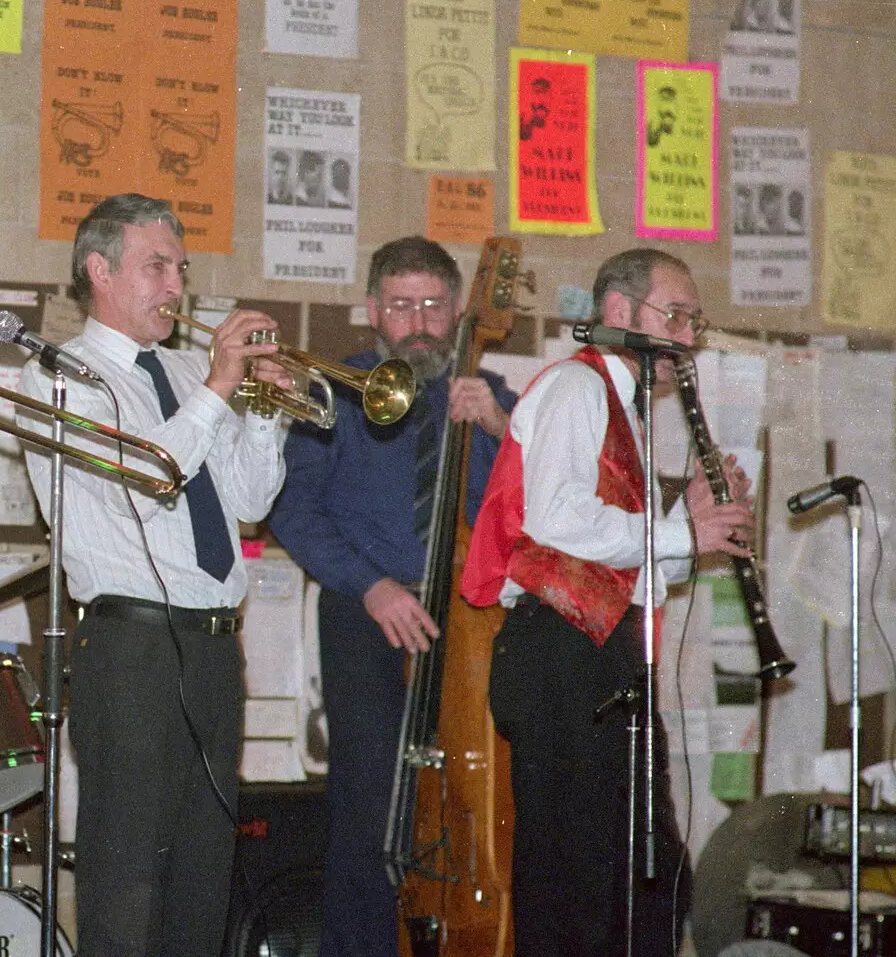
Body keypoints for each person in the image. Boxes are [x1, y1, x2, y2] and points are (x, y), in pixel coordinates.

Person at [15, 193, 290, 956]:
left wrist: (265, 406)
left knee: (205, 870)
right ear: (99, 271)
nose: (177, 286)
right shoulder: (60, 378)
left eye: (181, 268)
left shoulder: (188, 370)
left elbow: (250, 500)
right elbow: (151, 472)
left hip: (211, 647)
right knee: (126, 874)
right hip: (129, 649)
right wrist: (222, 385)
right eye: (157, 266)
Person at [460, 248, 755, 957]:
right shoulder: (575, 386)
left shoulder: (623, 410)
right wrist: (680, 528)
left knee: (645, 870)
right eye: (675, 316)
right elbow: (554, 518)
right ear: (619, 314)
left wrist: (688, 528)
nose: (687, 336)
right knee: (579, 878)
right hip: (558, 656)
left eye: (695, 321)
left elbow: (628, 571)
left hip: (600, 654)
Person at [270, 236, 515, 957]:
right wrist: (369, 585)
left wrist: (502, 430)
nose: (417, 322)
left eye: (433, 305)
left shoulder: (490, 392)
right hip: (366, 612)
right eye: (401, 304)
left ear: (459, 309)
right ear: (374, 309)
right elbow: (294, 509)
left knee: (474, 805)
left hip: (468, 622)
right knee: (372, 810)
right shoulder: (334, 390)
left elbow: (534, 508)